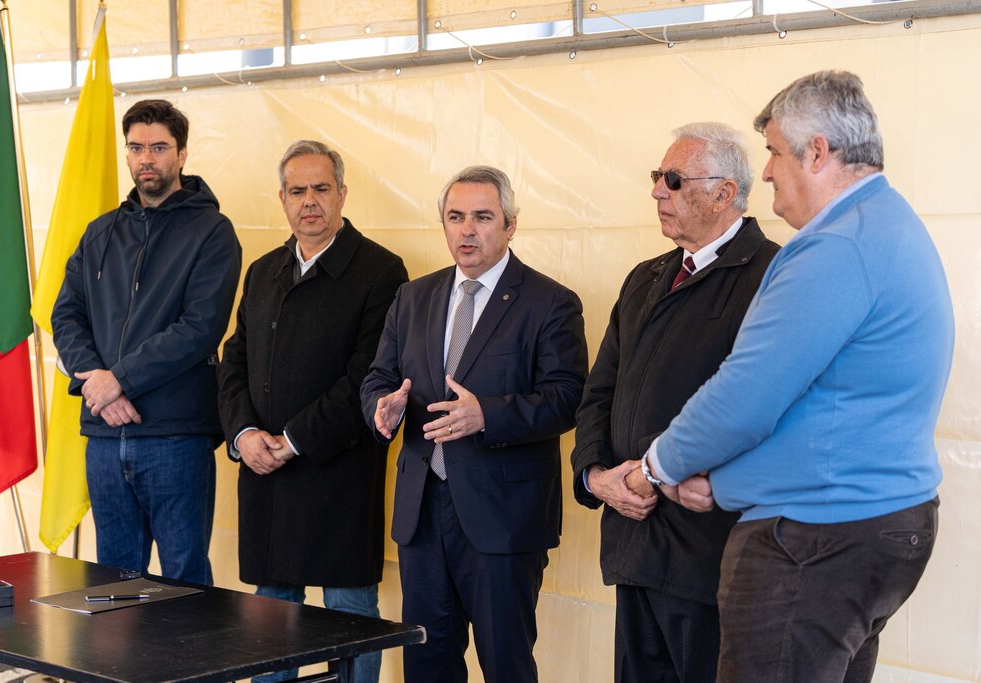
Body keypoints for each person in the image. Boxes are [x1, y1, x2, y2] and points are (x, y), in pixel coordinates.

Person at [636, 71, 955, 681]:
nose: (767, 173)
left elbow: (745, 397)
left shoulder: (837, 245)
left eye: (775, 152)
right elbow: (830, 404)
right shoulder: (887, 224)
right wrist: (724, 479)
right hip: (871, 526)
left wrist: (658, 466)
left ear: (817, 153)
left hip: (817, 537)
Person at [360, 166, 588, 683]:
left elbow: (567, 398)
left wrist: (488, 414)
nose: (467, 230)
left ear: (510, 225)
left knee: (505, 666)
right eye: (455, 217)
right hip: (422, 514)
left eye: (483, 217)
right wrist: (380, 407)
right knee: (426, 665)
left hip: (502, 518)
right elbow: (379, 377)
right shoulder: (412, 298)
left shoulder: (550, 302)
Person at [571, 122, 780, 683]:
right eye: (657, 177)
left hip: (710, 555)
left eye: (673, 180)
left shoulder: (771, 276)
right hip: (634, 540)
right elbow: (599, 392)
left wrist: (668, 476)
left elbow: (761, 408)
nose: (657, 192)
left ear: (724, 193)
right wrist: (596, 476)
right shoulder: (645, 278)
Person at [218, 140, 408, 683]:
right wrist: (244, 434)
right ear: (281, 198)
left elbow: (367, 377)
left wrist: (293, 441)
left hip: (339, 476)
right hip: (266, 473)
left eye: (321, 188)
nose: (309, 201)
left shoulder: (380, 271)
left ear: (342, 194)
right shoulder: (263, 271)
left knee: (350, 613)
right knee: (271, 611)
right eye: (297, 190)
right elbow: (233, 362)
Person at [52, 99, 241, 585]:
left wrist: (119, 379)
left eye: (159, 147)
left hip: (175, 436)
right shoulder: (100, 233)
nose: (146, 159)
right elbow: (66, 315)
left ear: (182, 154)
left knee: (185, 582)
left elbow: (200, 328)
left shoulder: (212, 233)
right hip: (104, 437)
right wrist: (98, 383)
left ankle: (189, 648)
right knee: (112, 586)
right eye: (136, 148)